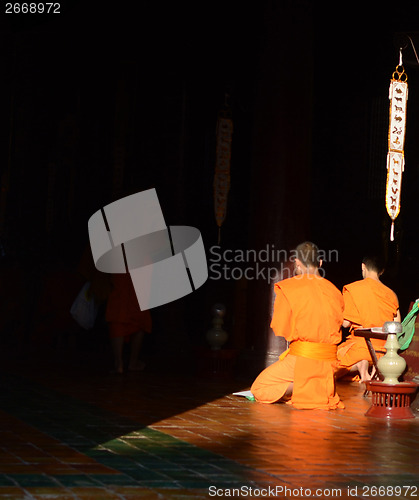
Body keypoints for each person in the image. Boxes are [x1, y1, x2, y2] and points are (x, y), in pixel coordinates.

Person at [250, 241, 345, 410]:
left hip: (303, 358)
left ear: (297, 263)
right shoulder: (335, 291)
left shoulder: (290, 287)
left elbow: (280, 327)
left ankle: (304, 386)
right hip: (330, 362)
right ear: (320, 262)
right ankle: (316, 384)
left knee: (259, 388)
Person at [335, 255, 401, 382]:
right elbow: (397, 325)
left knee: (327, 368)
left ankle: (359, 365)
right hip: (384, 352)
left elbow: (345, 324)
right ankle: (374, 367)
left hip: (360, 348)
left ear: (363, 267)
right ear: (382, 271)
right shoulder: (391, 294)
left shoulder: (353, 289)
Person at [105, 272, 152, 374]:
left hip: (122, 264)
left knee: (119, 309)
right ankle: (133, 361)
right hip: (140, 265)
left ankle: (119, 363)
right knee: (138, 307)